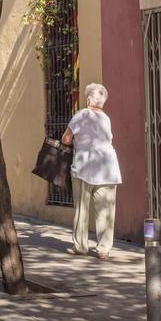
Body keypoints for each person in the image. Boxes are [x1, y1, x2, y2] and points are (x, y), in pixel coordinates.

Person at [63, 83, 122, 259]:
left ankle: (80, 246)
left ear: (88, 100)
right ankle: (104, 249)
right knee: (105, 210)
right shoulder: (106, 118)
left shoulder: (81, 115)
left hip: (85, 167)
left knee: (81, 209)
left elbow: (66, 139)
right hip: (108, 167)